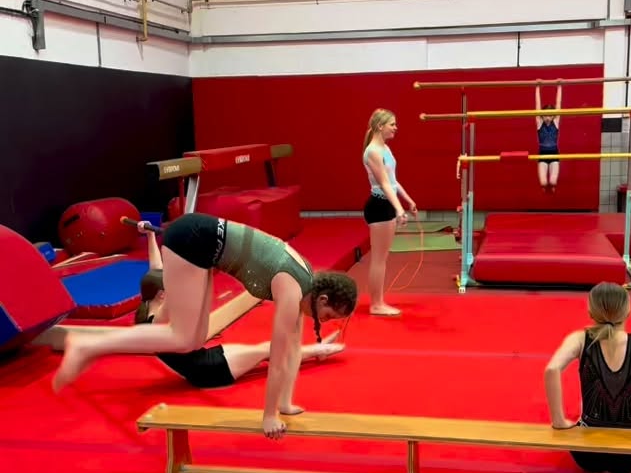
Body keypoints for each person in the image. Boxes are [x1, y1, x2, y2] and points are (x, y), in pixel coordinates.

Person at [53, 213, 358, 439]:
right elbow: (278, 358)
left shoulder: (305, 281)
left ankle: (92, 346)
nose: (323, 322)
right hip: (194, 240)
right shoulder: (292, 289)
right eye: (328, 316)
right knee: (182, 336)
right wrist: (268, 416)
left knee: (190, 340)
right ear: (323, 299)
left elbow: (291, 347)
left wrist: (285, 404)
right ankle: (89, 345)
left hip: (205, 244)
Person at [41, 223, 345, 388]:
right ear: (162, 296)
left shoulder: (149, 314)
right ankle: (319, 352)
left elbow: (157, 268)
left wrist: (150, 234)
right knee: (269, 350)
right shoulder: (159, 320)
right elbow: (168, 282)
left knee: (266, 350)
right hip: (208, 370)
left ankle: (318, 352)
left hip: (204, 354)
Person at [544, 281, 631, 473]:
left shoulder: (581, 338)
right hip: (630, 454)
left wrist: (559, 421)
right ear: (627, 312)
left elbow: (552, 369)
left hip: (586, 453)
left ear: (590, 312)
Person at [362, 108, 417, 316]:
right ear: (380, 126)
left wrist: (408, 200)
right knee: (378, 258)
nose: (396, 128)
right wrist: (399, 208)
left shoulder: (385, 148)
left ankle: (378, 301)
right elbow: (384, 184)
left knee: (382, 258)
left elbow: (393, 181)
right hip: (379, 206)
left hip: (387, 204)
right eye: (392, 124)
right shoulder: (372, 152)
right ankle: (376, 304)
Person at [535, 83, 562, 192]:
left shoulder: (555, 122)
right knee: (543, 183)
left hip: (554, 153)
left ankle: (552, 185)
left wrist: (560, 86)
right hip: (542, 154)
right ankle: (545, 186)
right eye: (545, 115)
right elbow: (537, 106)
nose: (547, 117)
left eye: (550, 115)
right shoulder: (539, 123)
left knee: (553, 182)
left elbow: (558, 105)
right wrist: (537, 87)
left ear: (553, 116)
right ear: (542, 115)